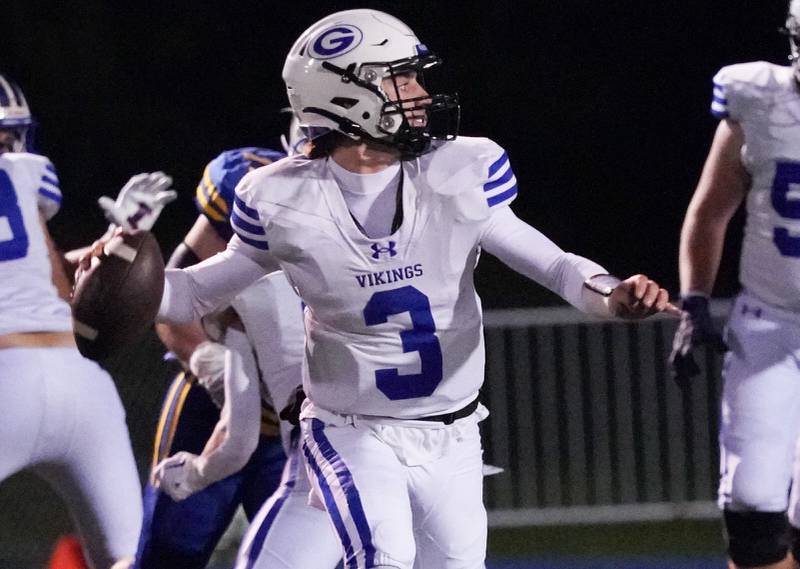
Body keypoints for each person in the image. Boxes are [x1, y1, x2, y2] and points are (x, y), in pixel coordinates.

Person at [144, 9, 677, 569]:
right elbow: (192, 294)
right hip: (350, 428)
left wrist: (613, 294)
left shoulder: (460, 171)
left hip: (454, 433)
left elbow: (559, 268)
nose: (421, 93)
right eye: (401, 78)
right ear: (347, 96)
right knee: (385, 555)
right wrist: (117, 275)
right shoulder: (280, 199)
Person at [134, 143, 342, 569]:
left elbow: (237, 435)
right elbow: (179, 296)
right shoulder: (255, 191)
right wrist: (206, 358)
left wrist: (194, 473)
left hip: (295, 436)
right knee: (171, 552)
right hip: (260, 419)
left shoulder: (269, 287)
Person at [0, 72, 168, 569]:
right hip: (80, 383)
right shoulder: (24, 173)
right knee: (126, 559)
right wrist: (119, 238)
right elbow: (51, 281)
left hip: (6, 378)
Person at [669, 3, 800, 568]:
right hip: (771, 320)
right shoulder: (759, 101)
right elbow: (711, 212)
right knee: (752, 509)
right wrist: (694, 299)